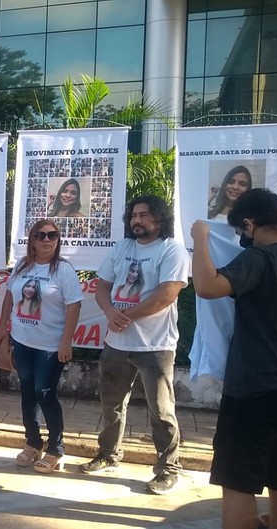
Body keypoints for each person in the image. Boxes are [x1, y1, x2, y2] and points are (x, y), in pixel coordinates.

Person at [191, 189, 277, 529]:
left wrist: (200, 237)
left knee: (237, 485)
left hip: (252, 392)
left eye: (241, 231)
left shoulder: (261, 260)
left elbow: (206, 286)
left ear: (249, 224)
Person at [81, 195, 189, 495]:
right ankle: (108, 454)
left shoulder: (172, 250)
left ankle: (168, 468)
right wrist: (109, 311)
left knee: (161, 410)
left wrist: (124, 315)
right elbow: (102, 285)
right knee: (111, 404)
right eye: (133, 215)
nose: (136, 221)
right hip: (116, 342)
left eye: (144, 215)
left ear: (159, 219)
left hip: (155, 345)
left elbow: (167, 294)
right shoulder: (122, 247)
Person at [0, 220, 82, 473]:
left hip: (50, 347)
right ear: (32, 240)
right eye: (41, 235)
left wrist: (66, 341)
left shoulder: (63, 270)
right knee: (28, 393)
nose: (46, 240)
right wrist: (2, 327)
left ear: (58, 239)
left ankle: (56, 449)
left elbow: (74, 305)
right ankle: (33, 443)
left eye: (52, 235)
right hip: (22, 342)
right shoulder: (22, 265)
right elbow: (10, 295)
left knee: (45, 394)